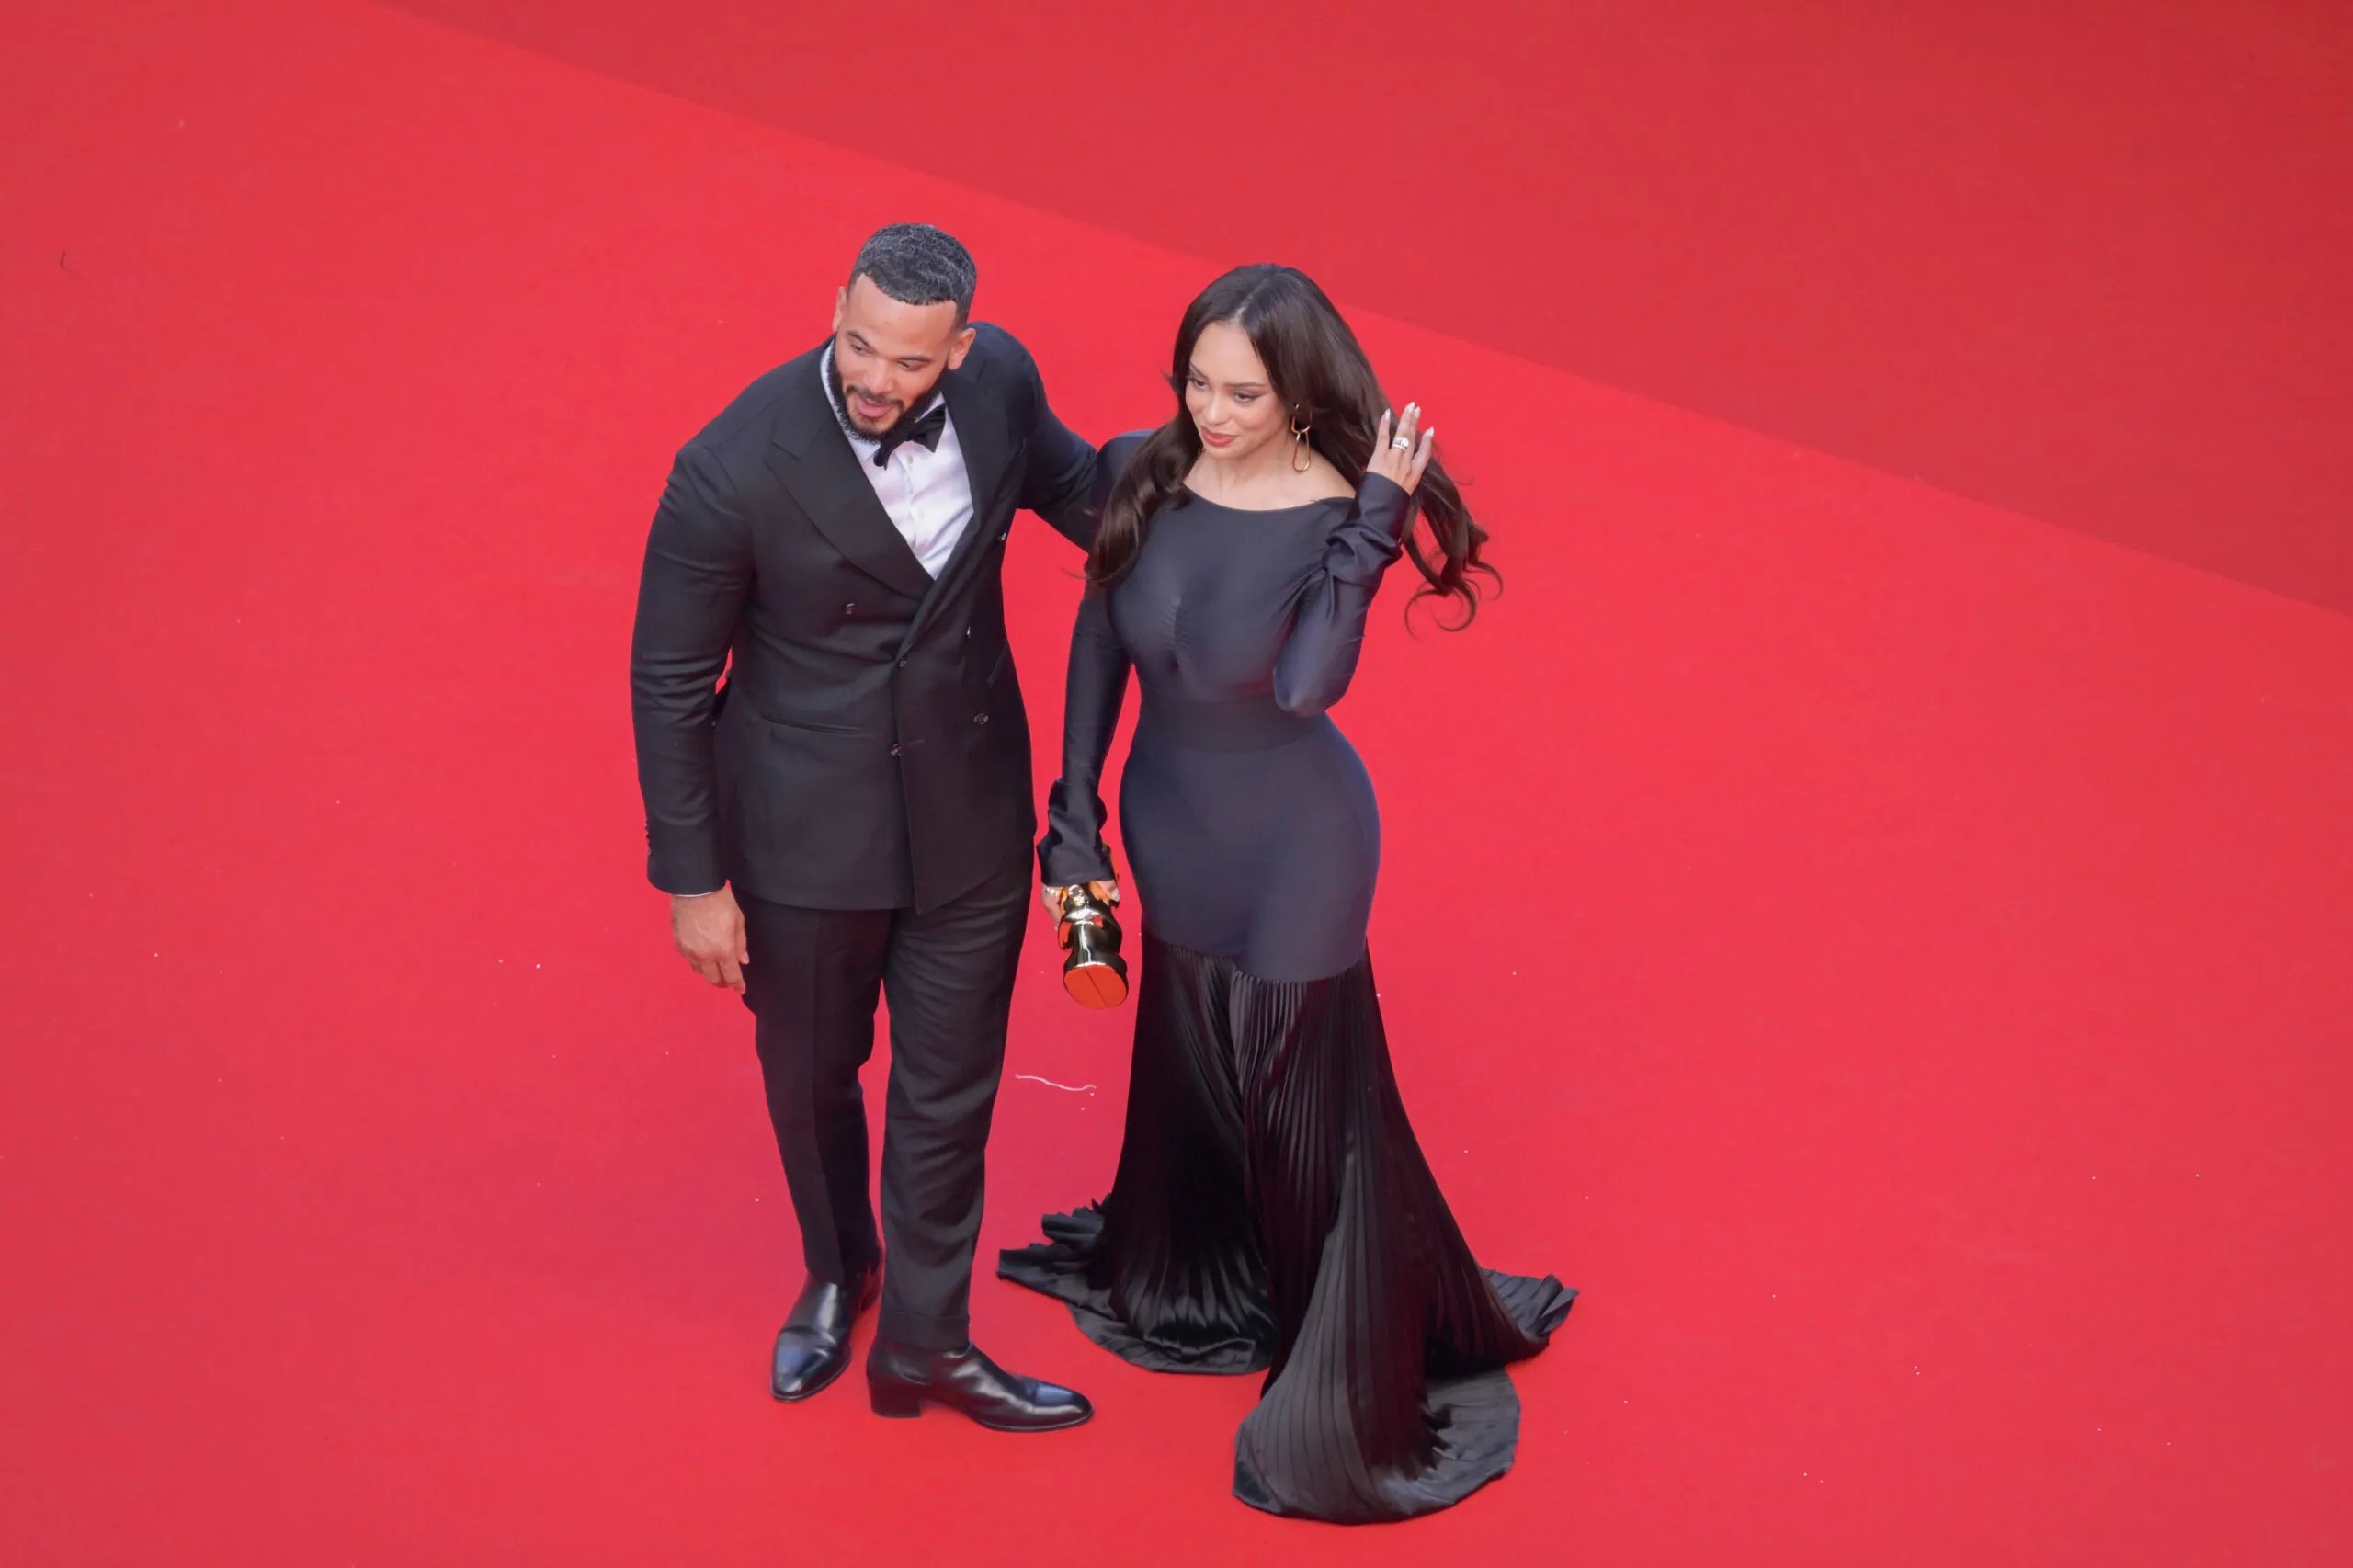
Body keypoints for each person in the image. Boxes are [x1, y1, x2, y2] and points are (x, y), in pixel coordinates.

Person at [998, 264, 1574, 1514]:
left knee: (1299, 1088)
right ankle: (1206, 1271)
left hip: (1303, 841)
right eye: (1196, 381)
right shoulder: (1140, 470)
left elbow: (1309, 688)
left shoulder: (1333, 512)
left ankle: (1334, 1378)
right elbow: (1100, 639)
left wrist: (1374, 525)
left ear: (1301, 393)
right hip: (1166, 824)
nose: (1210, 409)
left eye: (1242, 391)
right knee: (1197, 1061)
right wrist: (1072, 818)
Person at [630, 222, 1097, 1430]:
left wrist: (1262, 494)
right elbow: (671, 680)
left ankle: (928, 1344)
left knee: (951, 1093)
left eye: (910, 363)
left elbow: (1090, 497)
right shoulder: (728, 465)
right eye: (860, 346)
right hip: (800, 841)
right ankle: (842, 1269)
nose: (879, 381)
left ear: (963, 348)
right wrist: (694, 881)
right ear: (835, 303)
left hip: (971, 821)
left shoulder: (1001, 386)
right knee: (810, 1075)